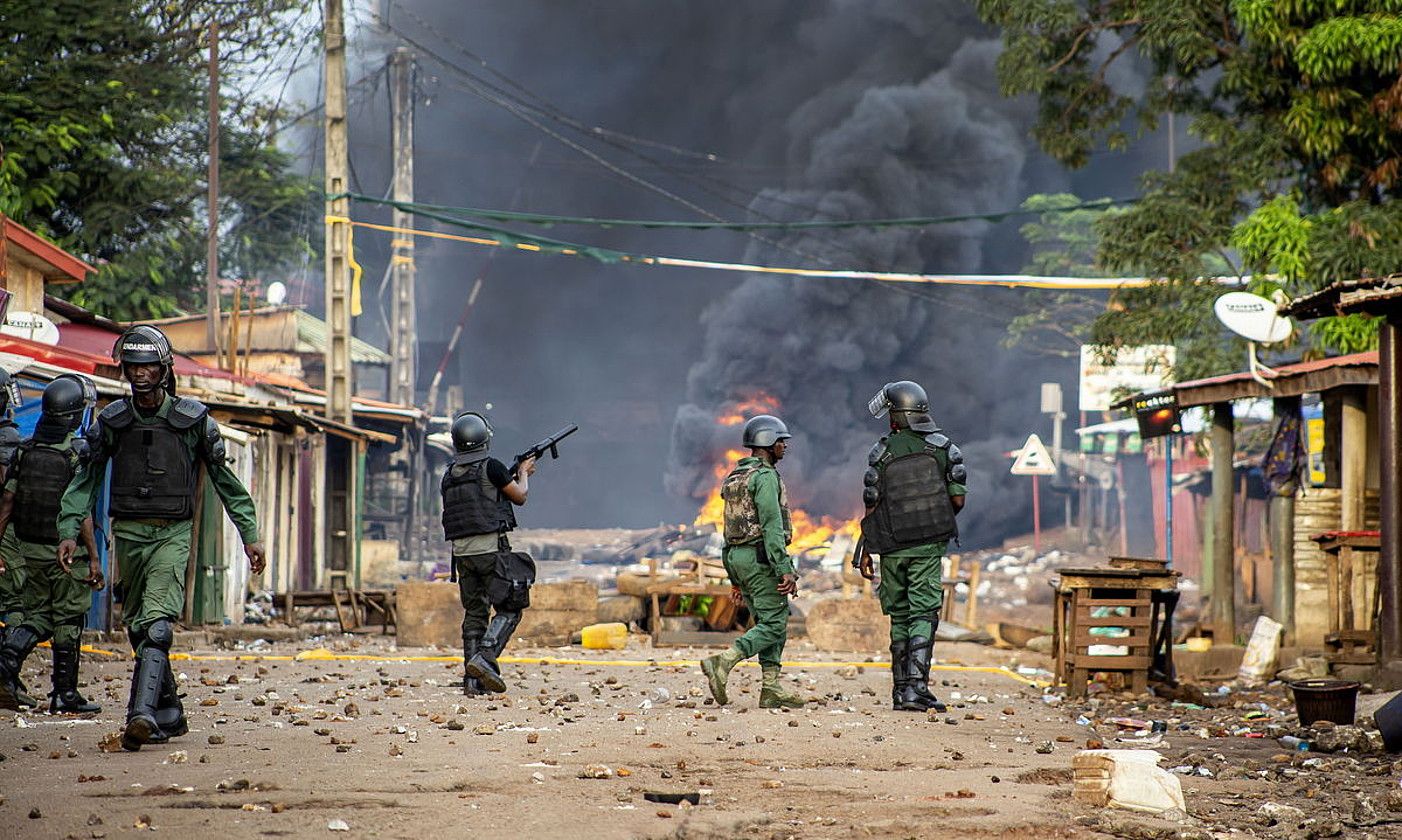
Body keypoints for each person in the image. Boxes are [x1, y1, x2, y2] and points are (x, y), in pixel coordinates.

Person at [56, 325, 265, 750]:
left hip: (172, 532)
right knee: (138, 629)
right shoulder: (112, 421)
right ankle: (170, 712)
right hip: (128, 533)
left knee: (157, 626)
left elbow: (226, 482)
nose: (141, 373)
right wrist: (68, 532)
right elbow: (86, 480)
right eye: (133, 365)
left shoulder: (193, 420)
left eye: (149, 364)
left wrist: (250, 535)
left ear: (165, 369)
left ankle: (141, 714)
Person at [858, 381, 966, 713]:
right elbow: (957, 500)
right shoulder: (945, 449)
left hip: (891, 547)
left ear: (898, 415)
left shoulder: (882, 452)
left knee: (901, 613)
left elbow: (872, 508)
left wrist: (865, 550)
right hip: (927, 547)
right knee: (923, 611)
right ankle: (916, 689)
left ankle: (899, 690)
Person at [0, 374, 104, 713]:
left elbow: (7, 503)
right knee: (68, 619)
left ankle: (7, 663)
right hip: (65, 552)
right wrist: (93, 558)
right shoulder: (76, 456)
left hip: (29, 550)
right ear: (73, 416)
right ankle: (65, 694)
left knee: (38, 614)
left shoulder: (25, 451)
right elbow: (82, 510)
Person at [700, 414, 805, 709]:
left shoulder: (734, 478)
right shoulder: (765, 477)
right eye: (780, 441)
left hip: (737, 558)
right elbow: (772, 527)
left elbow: (727, 529)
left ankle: (771, 688)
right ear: (767, 443)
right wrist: (785, 569)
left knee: (767, 622)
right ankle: (723, 661)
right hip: (761, 559)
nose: (785, 446)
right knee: (775, 623)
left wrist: (734, 577)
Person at [445, 411, 537, 695]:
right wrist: (523, 474)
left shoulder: (449, 475)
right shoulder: (492, 467)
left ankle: (472, 682)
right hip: (490, 551)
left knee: (475, 612)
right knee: (511, 607)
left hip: (461, 555)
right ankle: (485, 658)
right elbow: (519, 497)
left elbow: (477, 498)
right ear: (485, 438)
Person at [0, 369, 30, 705]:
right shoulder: (7, 439)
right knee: (19, 604)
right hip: (6, 532)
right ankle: (6, 677)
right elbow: (8, 493)